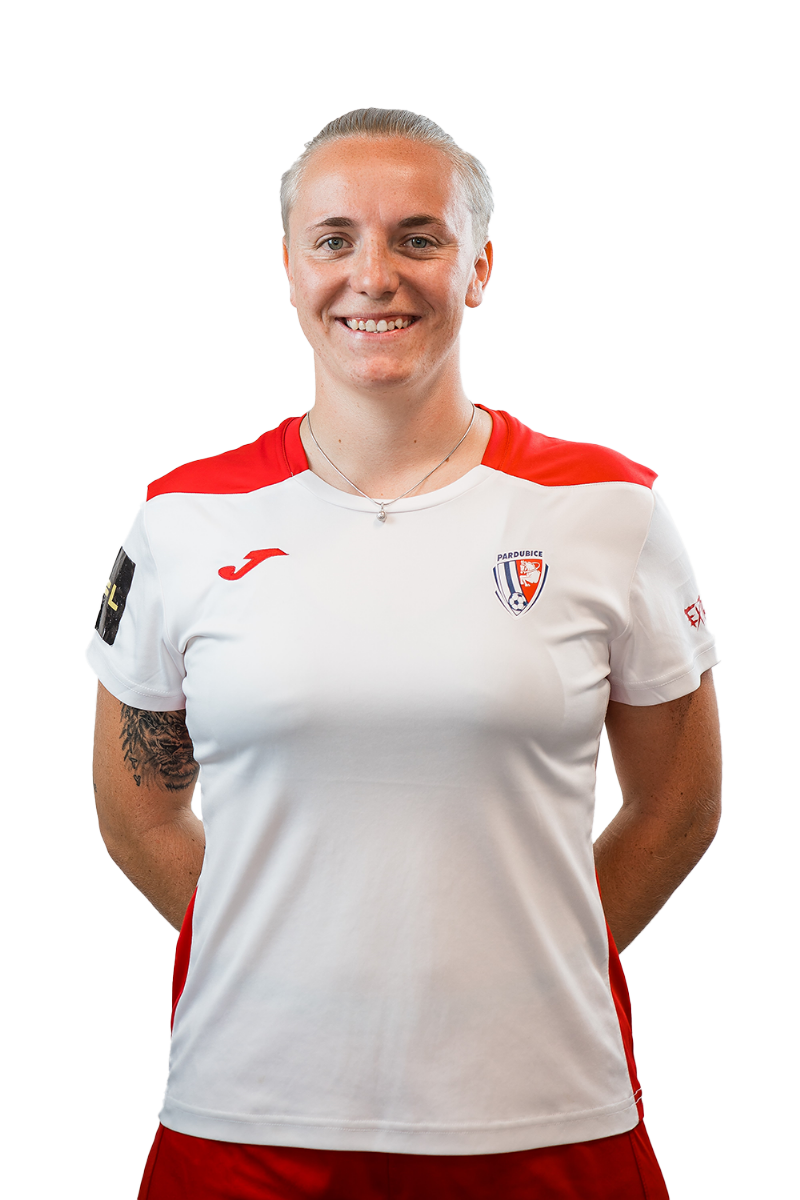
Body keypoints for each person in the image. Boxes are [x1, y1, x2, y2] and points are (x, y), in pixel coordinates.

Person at [88, 108, 722, 1200]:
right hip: (247, 1115)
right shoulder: (182, 521)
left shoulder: (609, 508)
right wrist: (279, 959)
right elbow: (136, 812)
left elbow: (680, 802)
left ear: (478, 267)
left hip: (544, 1112)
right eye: (333, 239)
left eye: (417, 237)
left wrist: (533, 962)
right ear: (290, 267)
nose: (372, 275)